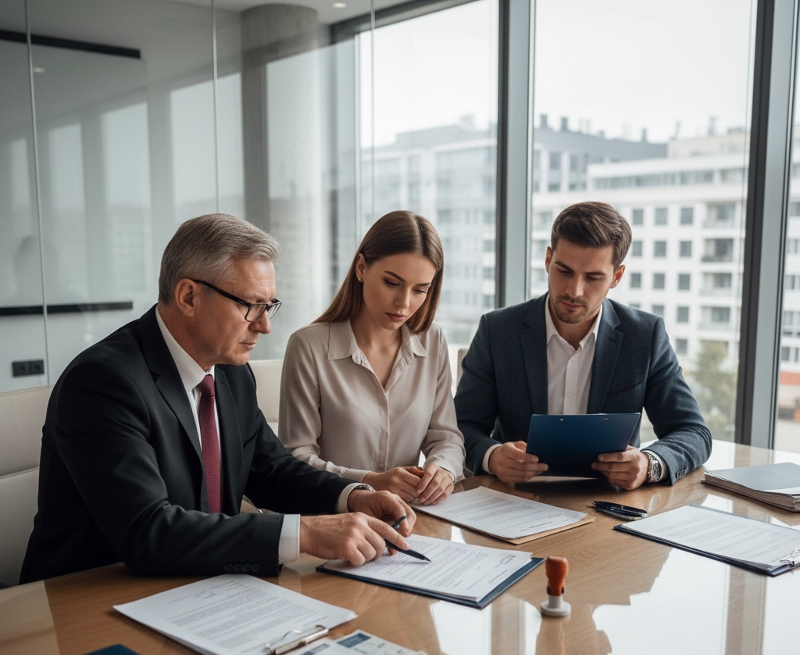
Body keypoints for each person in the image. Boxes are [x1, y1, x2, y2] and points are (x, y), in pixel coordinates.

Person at [20, 213, 415, 583]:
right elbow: (148, 531)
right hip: (90, 602)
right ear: (189, 297)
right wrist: (306, 533)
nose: (264, 325)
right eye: (250, 306)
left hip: (201, 586)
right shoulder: (103, 382)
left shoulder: (231, 371)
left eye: (269, 306)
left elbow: (271, 470)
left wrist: (353, 498)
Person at [454, 201, 711, 490]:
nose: (574, 291)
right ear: (548, 259)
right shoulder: (498, 331)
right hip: (516, 501)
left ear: (616, 277)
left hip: (611, 507)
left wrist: (650, 463)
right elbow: (461, 427)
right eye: (564, 271)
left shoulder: (645, 335)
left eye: (593, 277)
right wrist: (492, 456)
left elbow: (693, 432)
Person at [278, 210, 464, 505]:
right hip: (332, 519)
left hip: (413, 519)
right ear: (361, 267)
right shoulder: (308, 347)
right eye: (392, 283)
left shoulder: (434, 342)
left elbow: (446, 438)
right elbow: (296, 459)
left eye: (420, 290)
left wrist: (443, 469)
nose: (404, 303)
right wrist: (369, 482)